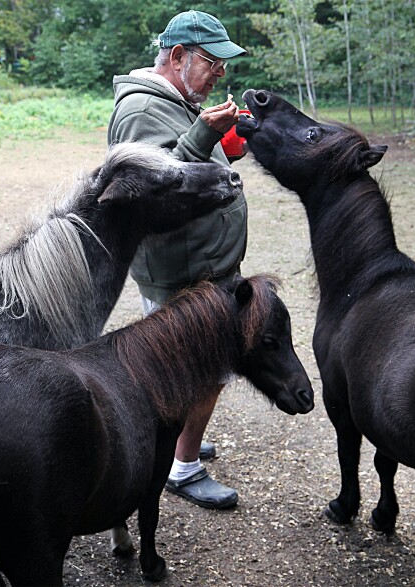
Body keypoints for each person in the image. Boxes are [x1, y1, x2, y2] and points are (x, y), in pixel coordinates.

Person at [107, 10, 248, 509]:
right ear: (179, 57)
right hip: (183, 270)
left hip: (195, 262)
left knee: (183, 366)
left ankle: (177, 443)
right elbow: (153, 187)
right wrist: (204, 136)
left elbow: (188, 161)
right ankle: (183, 467)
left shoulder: (176, 100)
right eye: (213, 62)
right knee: (202, 369)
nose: (220, 74)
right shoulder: (143, 110)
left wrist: (225, 143)